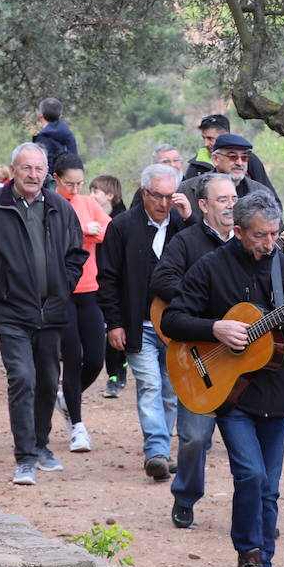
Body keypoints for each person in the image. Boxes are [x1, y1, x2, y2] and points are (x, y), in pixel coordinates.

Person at [162, 192, 284, 567]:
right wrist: (216, 327)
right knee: (251, 475)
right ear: (237, 231)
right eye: (260, 235)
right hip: (229, 392)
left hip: (276, 391)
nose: (269, 242)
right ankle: (249, 562)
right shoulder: (210, 267)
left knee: (269, 490)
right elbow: (172, 319)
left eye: (274, 234)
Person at [0, 143, 87, 485]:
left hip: (52, 310)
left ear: (47, 173)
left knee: (45, 381)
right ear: (13, 170)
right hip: (9, 309)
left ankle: (41, 445)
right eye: (26, 168)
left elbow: (75, 254)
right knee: (22, 378)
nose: (33, 175)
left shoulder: (60, 207)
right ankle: (25, 456)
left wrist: (63, 285)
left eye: (39, 169)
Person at [149, 172, 238, 528]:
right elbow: (161, 281)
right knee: (195, 437)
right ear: (203, 206)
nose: (232, 205)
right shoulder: (186, 241)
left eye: (235, 198)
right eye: (223, 200)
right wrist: (205, 305)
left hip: (243, 359)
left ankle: (258, 507)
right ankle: (185, 496)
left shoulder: (254, 242)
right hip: (198, 354)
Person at [97, 162, 189, 480]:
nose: (163, 204)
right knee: (149, 385)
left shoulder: (183, 227)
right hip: (139, 325)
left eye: (169, 197)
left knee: (170, 389)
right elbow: (107, 278)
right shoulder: (122, 226)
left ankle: (161, 449)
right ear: (143, 191)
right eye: (157, 196)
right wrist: (114, 323)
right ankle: (157, 451)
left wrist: (190, 217)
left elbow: (209, 256)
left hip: (177, 326)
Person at [53, 152, 109, 454]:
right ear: (57, 180)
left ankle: (66, 398)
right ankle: (77, 425)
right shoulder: (52, 204)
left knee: (96, 359)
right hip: (62, 290)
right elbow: (54, 239)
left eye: (80, 183)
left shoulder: (88, 202)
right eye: (70, 184)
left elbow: (107, 229)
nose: (76, 189)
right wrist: (84, 232)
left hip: (89, 288)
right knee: (72, 357)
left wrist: (90, 232)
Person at [90, 173, 129, 397]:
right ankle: (114, 374)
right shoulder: (91, 217)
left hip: (118, 282)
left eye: (96, 191)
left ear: (110, 195)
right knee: (108, 329)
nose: (91, 195)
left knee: (118, 326)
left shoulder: (122, 220)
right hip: (95, 281)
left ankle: (118, 372)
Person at [183, 113, 278, 200]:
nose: (206, 143)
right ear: (215, 158)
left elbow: (270, 199)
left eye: (210, 138)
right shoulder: (196, 164)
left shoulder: (251, 161)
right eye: (233, 157)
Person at [176, 134, 273, 203]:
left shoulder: (263, 193)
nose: (239, 163)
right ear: (216, 159)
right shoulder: (188, 190)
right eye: (233, 157)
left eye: (244, 158)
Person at [33, 97, 78, 174]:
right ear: (60, 116)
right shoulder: (69, 136)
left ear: (40, 115)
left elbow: (42, 167)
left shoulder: (42, 138)